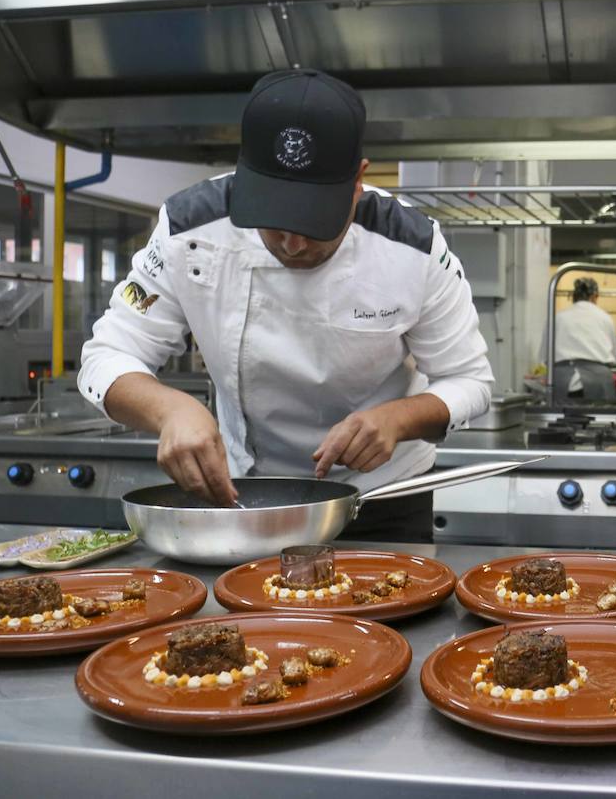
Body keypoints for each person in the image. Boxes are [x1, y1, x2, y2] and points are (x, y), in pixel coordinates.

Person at [78, 69, 493, 541]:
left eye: (314, 223)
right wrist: (168, 409)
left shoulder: (412, 247)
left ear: (358, 182)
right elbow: (105, 356)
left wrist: (399, 419)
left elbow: (470, 382)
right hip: (244, 494)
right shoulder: (188, 228)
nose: (293, 243)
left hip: (380, 497)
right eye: (271, 220)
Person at [541, 277, 616, 400]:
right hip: (598, 380)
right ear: (594, 296)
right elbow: (614, 357)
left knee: (562, 418)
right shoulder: (605, 318)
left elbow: (545, 356)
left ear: (573, 297)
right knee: (599, 417)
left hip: (561, 381)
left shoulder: (557, 317)